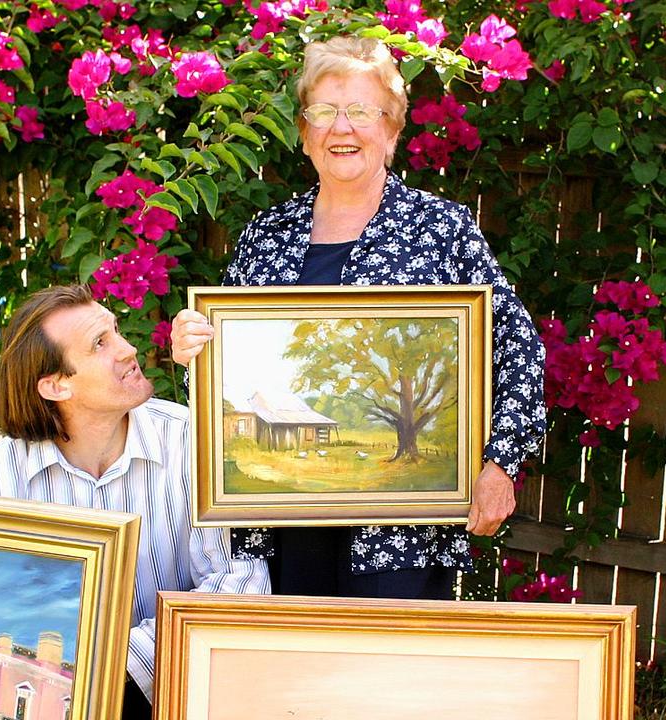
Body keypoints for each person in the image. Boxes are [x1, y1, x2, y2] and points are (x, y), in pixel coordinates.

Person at [170, 36, 545, 602]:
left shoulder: (439, 230)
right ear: (304, 133)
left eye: (361, 111)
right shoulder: (266, 236)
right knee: (294, 681)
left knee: (390, 680)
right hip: (280, 526)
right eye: (324, 111)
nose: (340, 128)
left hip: (405, 529)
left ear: (392, 130)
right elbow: (231, 378)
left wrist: (500, 463)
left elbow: (517, 348)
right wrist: (194, 351)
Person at [0, 285, 270, 720]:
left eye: (117, 330)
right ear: (55, 386)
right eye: (100, 344)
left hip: (185, 692)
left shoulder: (190, 439)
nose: (129, 350)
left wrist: (119, 663)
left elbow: (240, 581)